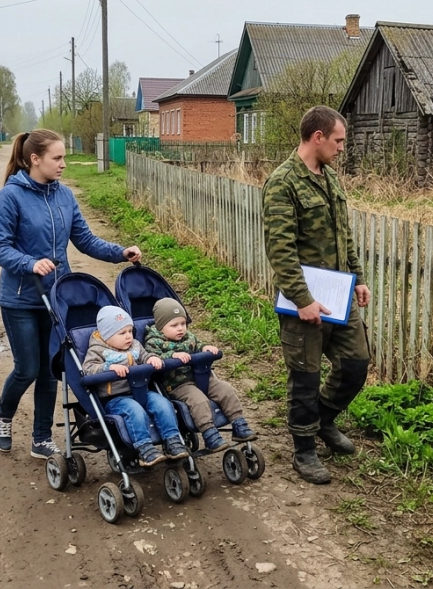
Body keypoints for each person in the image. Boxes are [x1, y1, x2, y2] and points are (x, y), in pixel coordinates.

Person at [0, 129, 142, 457]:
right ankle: (3, 414)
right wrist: (30, 263)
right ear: (35, 159)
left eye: (64, 158)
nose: (63, 164)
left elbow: (84, 239)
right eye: (57, 158)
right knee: (27, 368)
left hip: (57, 299)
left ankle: (41, 436)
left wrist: (119, 253)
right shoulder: (11, 196)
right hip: (20, 299)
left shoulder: (64, 196)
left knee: (51, 370)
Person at [261, 106, 372, 485]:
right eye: (339, 140)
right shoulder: (283, 183)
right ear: (318, 137)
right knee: (305, 375)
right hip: (303, 300)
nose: (343, 148)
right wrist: (302, 300)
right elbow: (280, 250)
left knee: (357, 363)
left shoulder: (331, 179)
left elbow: (346, 234)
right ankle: (304, 449)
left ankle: (324, 419)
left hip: (339, 293)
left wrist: (357, 278)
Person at [144, 297, 257, 453]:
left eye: (183, 324)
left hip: (202, 377)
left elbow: (199, 345)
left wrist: (206, 348)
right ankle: (209, 433)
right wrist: (172, 355)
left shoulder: (189, 337)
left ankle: (239, 424)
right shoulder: (153, 342)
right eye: (174, 325)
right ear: (161, 326)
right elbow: (152, 358)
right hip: (178, 384)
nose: (180, 329)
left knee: (226, 389)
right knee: (199, 401)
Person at [82, 306, 191, 467]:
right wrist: (107, 368)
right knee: (135, 411)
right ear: (106, 336)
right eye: (122, 333)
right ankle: (144, 448)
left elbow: (145, 355)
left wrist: (151, 359)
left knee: (163, 404)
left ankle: (172, 441)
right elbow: (88, 369)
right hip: (116, 398)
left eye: (130, 331)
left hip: (141, 390)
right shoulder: (97, 350)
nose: (128, 337)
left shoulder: (135, 345)